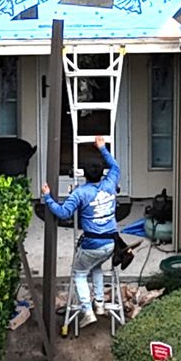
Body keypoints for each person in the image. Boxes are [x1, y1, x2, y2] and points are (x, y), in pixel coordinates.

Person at [41, 135, 120, 329]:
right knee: (96, 267)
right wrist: (102, 148)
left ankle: (87, 310)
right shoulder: (110, 183)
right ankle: (100, 304)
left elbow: (63, 212)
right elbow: (115, 167)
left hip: (92, 244)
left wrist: (48, 198)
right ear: (103, 172)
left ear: (83, 173)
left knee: (79, 272)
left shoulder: (80, 193)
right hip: (111, 243)